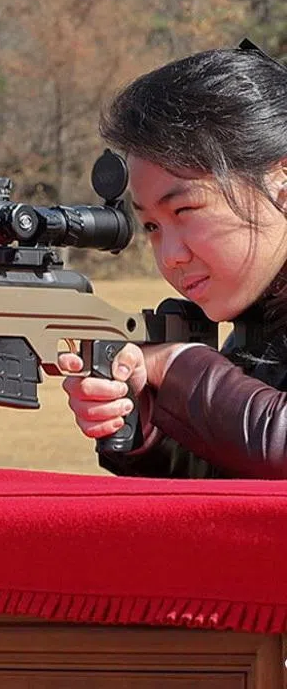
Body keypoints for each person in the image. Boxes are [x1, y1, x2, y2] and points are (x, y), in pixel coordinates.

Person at [60, 40, 287, 478]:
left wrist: (177, 366)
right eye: (151, 227)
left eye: (184, 212)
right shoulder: (257, 322)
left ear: (281, 182)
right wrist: (148, 423)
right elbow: (237, 489)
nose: (171, 256)